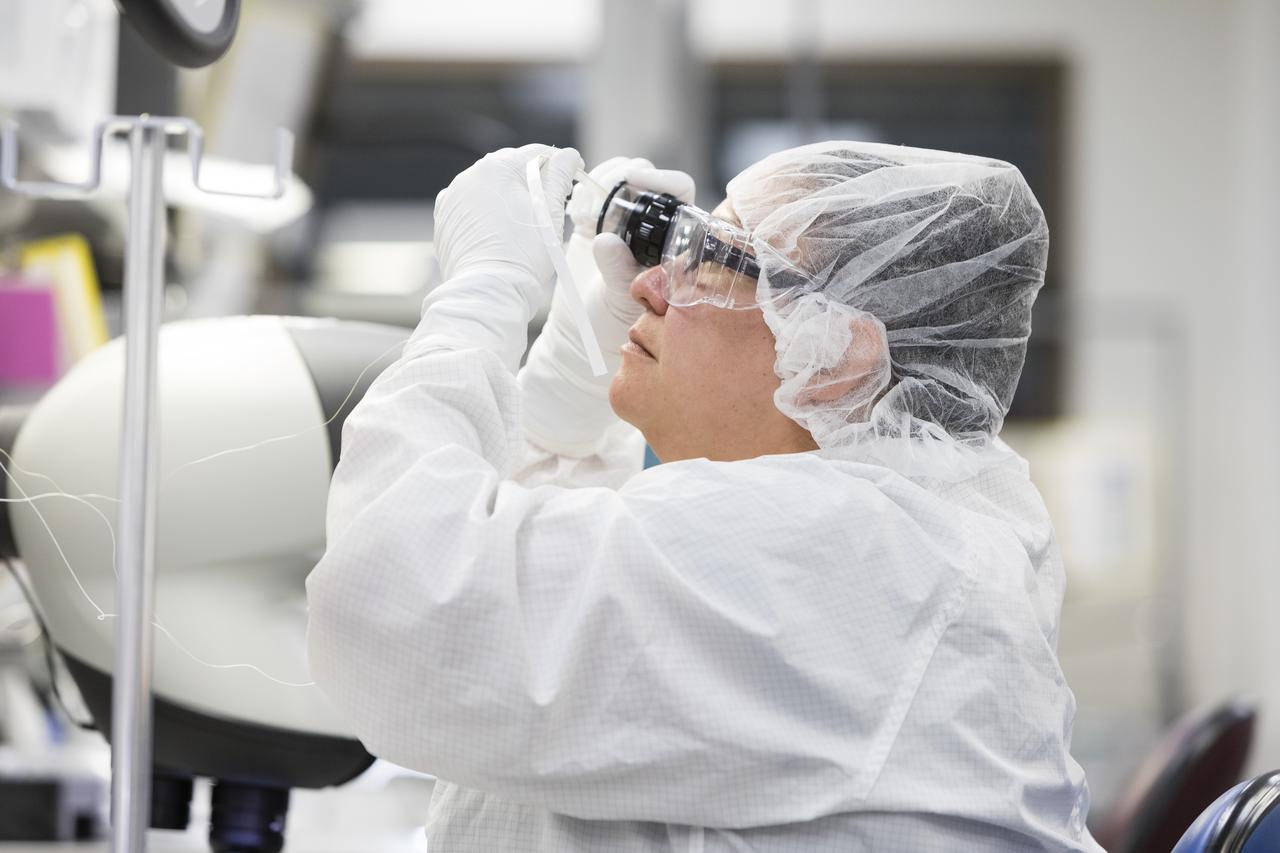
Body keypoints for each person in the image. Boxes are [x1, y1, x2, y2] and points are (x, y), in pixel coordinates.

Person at [305, 141, 1104, 852]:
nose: (651, 283)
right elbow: (564, 579)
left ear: (835, 356)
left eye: (712, 258)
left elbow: (404, 594)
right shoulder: (900, 528)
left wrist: (482, 289)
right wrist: (567, 399)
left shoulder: (839, 552)